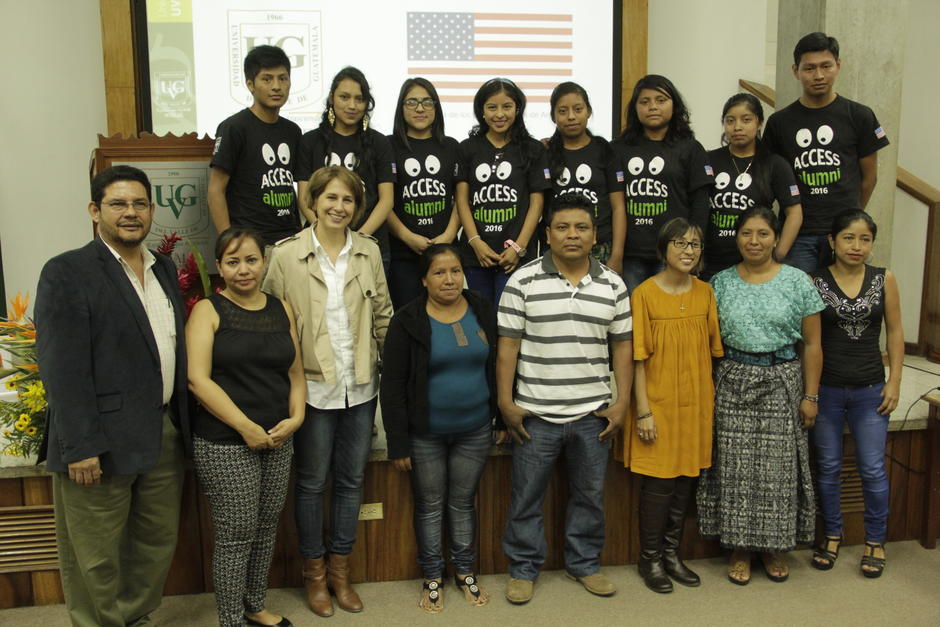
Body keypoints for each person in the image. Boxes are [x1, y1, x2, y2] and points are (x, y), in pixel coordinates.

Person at [35, 165, 190, 626]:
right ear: (94, 210)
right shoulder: (68, 271)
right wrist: (80, 445)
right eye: (118, 204)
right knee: (96, 555)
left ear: (151, 211)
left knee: (156, 541)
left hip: (162, 431)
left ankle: (135, 617)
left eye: (139, 203)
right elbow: (62, 368)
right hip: (98, 439)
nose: (130, 213)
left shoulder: (163, 268)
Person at [263, 165, 392, 617]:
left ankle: (341, 571)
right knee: (313, 482)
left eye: (349, 201)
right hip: (312, 390)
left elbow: (383, 317)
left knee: (353, 481)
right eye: (331, 199)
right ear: (312, 202)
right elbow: (271, 325)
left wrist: (389, 377)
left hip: (359, 387)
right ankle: (314, 576)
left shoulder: (369, 252)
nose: (339, 207)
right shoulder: (284, 255)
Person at [497, 192, 633, 604]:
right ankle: (522, 569)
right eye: (562, 227)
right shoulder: (522, 280)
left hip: (593, 413)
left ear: (595, 235)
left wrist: (623, 401)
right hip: (535, 413)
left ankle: (585, 564)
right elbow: (507, 347)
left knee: (590, 496)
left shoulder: (613, 283)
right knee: (526, 498)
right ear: (548, 234)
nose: (572, 235)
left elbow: (623, 348)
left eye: (581, 227)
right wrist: (506, 402)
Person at [696, 205, 824, 585]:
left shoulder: (798, 281)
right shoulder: (719, 282)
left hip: (783, 378)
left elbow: (814, 344)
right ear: (736, 237)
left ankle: (772, 548)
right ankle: (738, 548)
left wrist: (811, 395)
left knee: (777, 472)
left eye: (763, 234)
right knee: (734, 470)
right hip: (733, 379)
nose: (754, 241)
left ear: (776, 237)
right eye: (747, 233)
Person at [186, 228, 306, 627]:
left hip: (278, 436)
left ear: (264, 262)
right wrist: (245, 427)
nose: (243, 270)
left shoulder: (280, 308)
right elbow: (198, 380)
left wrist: (298, 416)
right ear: (219, 267)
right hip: (225, 441)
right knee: (236, 535)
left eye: (251, 260)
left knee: (267, 526)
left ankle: (255, 605)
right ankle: (231, 619)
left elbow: (295, 371)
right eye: (233, 262)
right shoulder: (208, 310)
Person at [381, 244, 505, 613]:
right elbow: (393, 386)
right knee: (431, 506)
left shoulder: (482, 308)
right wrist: (397, 443)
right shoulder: (407, 320)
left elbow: (498, 365)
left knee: (463, 503)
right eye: (439, 272)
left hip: (475, 429)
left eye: (455, 271)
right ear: (424, 279)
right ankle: (433, 576)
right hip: (425, 434)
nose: (449, 279)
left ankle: (465, 572)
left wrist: (500, 416)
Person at [627, 218, 723, 593]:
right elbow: (637, 359)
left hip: (696, 403)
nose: (688, 251)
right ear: (663, 249)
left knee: (686, 481)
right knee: (660, 483)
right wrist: (644, 411)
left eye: (695, 244)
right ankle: (649, 559)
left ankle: (671, 555)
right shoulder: (644, 294)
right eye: (680, 243)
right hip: (659, 404)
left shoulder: (705, 293)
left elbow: (713, 351)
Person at [809, 209, 902, 578]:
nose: (856, 246)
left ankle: (875, 541)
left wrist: (894, 381)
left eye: (865, 239)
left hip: (870, 391)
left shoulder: (884, 279)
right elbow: (810, 342)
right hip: (827, 391)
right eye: (848, 238)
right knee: (828, 468)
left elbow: (895, 332)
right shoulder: (814, 280)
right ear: (832, 241)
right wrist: (810, 393)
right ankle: (832, 535)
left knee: (873, 469)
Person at [763, 32, 890, 273]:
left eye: (826, 66)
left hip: (844, 234)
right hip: (799, 235)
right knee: (800, 307)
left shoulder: (860, 115)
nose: (818, 75)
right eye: (809, 68)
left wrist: (852, 218)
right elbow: (771, 182)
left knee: (842, 306)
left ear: (838, 66)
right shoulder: (779, 122)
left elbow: (870, 178)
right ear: (795, 71)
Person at [612, 75, 712, 292]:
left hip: (674, 252)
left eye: (660, 100)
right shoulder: (619, 148)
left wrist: (694, 249)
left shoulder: (691, 149)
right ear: (635, 108)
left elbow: (701, 204)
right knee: (635, 319)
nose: (652, 107)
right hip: (631, 254)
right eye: (644, 101)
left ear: (674, 105)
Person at [456, 78, 551, 304]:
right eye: (492, 107)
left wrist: (519, 247)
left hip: (516, 255)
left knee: (510, 319)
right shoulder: (467, 148)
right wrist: (476, 242)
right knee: (482, 317)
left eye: (507, 106)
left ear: (517, 109)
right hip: (476, 255)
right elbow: (462, 200)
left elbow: (537, 203)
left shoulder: (533, 149)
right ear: (481, 110)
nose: (500, 114)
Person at [296, 67, 396, 269]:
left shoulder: (380, 143)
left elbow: (386, 200)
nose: (352, 106)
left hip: (369, 244)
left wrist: (357, 239)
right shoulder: (310, 141)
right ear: (332, 98)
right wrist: (326, 236)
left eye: (359, 99)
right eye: (344, 97)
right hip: (319, 245)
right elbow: (304, 198)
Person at [208, 45, 303, 247]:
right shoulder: (233, 127)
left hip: (291, 240)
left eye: (283, 78)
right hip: (250, 242)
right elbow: (216, 190)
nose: (277, 86)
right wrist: (230, 243)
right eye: (267, 79)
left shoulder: (293, 131)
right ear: (250, 84)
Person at [704, 93, 803, 280]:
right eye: (730, 121)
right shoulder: (709, 160)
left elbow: (794, 212)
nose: (737, 127)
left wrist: (777, 254)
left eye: (746, 120)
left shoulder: (775, 164)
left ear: (759, 123)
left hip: (755, 262)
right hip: (712, 260)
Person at [386, 78, 461, 308]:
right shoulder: (387, 145)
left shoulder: (451, 146)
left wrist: (449, 235)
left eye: (427, 102)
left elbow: (461, 199)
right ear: (401, 107)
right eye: (412, 102)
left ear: (436, 107)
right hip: (403, 253)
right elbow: (384, 201)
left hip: (445, 251)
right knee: (408, 317)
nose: (420, 108)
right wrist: (408, 237)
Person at [545, 81, 626, 273]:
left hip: (600, 246)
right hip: (559, 248)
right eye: (563, 111)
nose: (571, 117)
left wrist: (617, 256)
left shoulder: (605, 150)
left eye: (578, 109)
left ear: (588, 111)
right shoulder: (545, 152)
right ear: (553, 116)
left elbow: (618, 206)